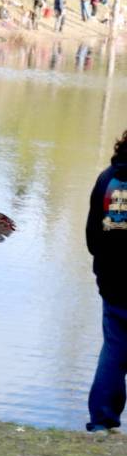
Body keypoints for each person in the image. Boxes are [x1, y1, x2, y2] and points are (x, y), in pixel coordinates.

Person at [85, 129, 127, 433]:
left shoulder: (107, 178)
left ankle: (102, 421)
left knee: (114, 350)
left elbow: (93, 236)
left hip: (113, 280)